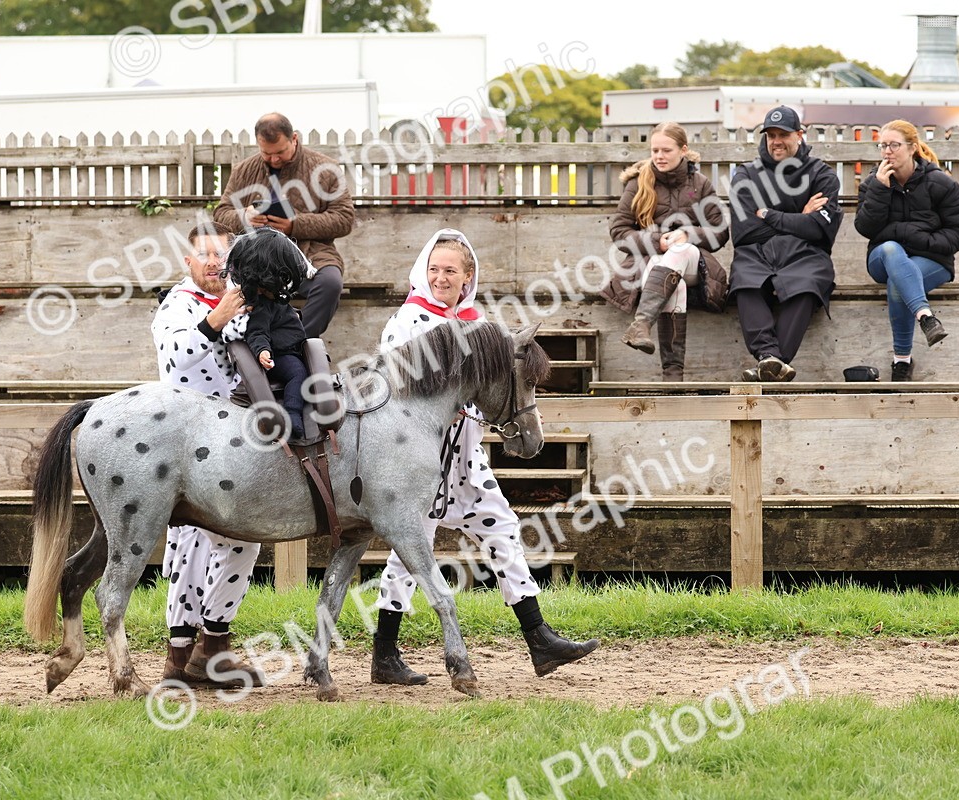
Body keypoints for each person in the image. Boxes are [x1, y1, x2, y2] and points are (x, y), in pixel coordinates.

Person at [370, 228, 600, 686]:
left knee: (505, 533)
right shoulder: (407, 321)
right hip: (422, 463)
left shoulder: (480, 325)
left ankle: (539, 640)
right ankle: (385, 654)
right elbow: (389, 381)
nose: (440, 278)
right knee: (407, 555)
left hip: (467, 461)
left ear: (467, 275)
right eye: (434, 269)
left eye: (450, 270)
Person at [150, 221, 264, 687]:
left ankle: (205, 649)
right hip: (186, 443)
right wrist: (213, 321)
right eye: (206, 255)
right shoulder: (176, 306)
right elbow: (175, 356)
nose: (215, 263)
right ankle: (193, 657)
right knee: (194, 547)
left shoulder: (236, 296)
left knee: (238, 540)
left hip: (231, 439)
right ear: (188, 262)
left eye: (223, 255)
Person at [213, 112, 355, 339]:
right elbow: (221, 214)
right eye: (266, 154)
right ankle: (252, 348)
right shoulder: (244, 171)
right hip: (256, 257)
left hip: (312, 256)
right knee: (227, 284)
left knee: (330, 284)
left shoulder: (327, 169)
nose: (274, 159)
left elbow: (344, 218)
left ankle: (297, 343)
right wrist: (244, 216)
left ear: (294, 139)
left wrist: (294, 225)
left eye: (280, 152)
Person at [605, 122, 729, 381]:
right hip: (652, 261)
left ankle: (641, 323)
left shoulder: (700, 183)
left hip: (694, 263)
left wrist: (689, 234)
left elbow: (720, 232)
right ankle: (673, 375)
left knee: (681, 249)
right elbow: (619, 231)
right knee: (677, 286)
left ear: (683, 150)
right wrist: (657, 241)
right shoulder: (638, 183)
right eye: (654, 151)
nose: (659, 156)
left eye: (666, 150)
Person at [727, 106, 843, 382]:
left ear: (799, 135)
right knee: (745, 281)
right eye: (771, 135)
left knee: (808, 284)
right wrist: (801, 217)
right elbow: (745, 231)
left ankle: (772, 361)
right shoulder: (745, 175)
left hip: (805, 256)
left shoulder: (822, 175)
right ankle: (770, 358)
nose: (776, 141)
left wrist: (771, 216)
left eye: (783, 134)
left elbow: (821, 229)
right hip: (756, 254)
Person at [854, 120, 959, 381]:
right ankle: (927, 318)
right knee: (891, 248)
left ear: (912, 148)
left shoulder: (941, 184)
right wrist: (879, 192)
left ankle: (901, 361)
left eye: (894, 145)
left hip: (932, 261)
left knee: (899, 282)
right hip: (882, 259)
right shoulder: (873, 184)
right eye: (882, 145)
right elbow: (864, 228)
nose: (887, 151)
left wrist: (922, 241)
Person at [219, 227, 310, 439]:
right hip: (279, 355)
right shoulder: (261, 307)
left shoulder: (275, 301)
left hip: (292, 349)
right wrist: (263, 351)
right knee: (298, 374)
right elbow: (256, 332)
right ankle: (293, 415)